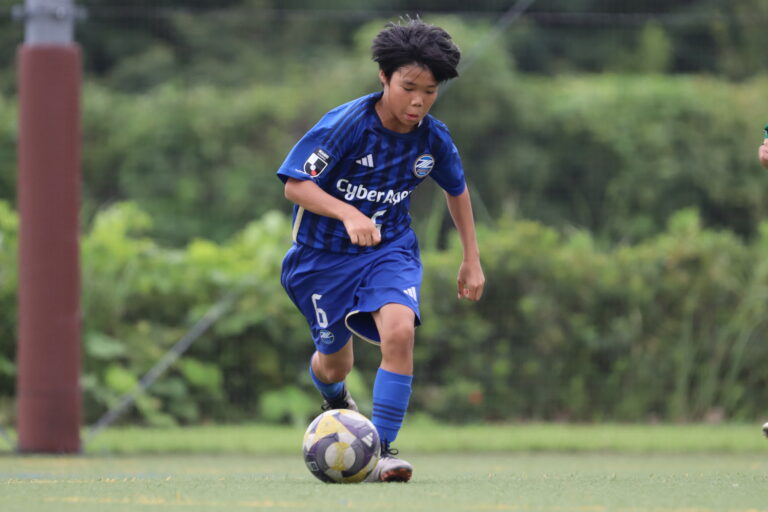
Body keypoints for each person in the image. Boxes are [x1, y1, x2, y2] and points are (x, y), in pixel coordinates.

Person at [276, 18, 485, 483]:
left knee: (400, 330)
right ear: (384, 78)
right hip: (320, 260)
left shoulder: (433, 138)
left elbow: (456, 189)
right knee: (336, 364)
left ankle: (381, 452)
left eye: (429, 91)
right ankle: (335, 400)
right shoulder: (347, 125)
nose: (418, 101)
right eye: (408, 88)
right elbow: (295, 185)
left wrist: (471, 258)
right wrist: (348, 214)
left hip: (389, 250)